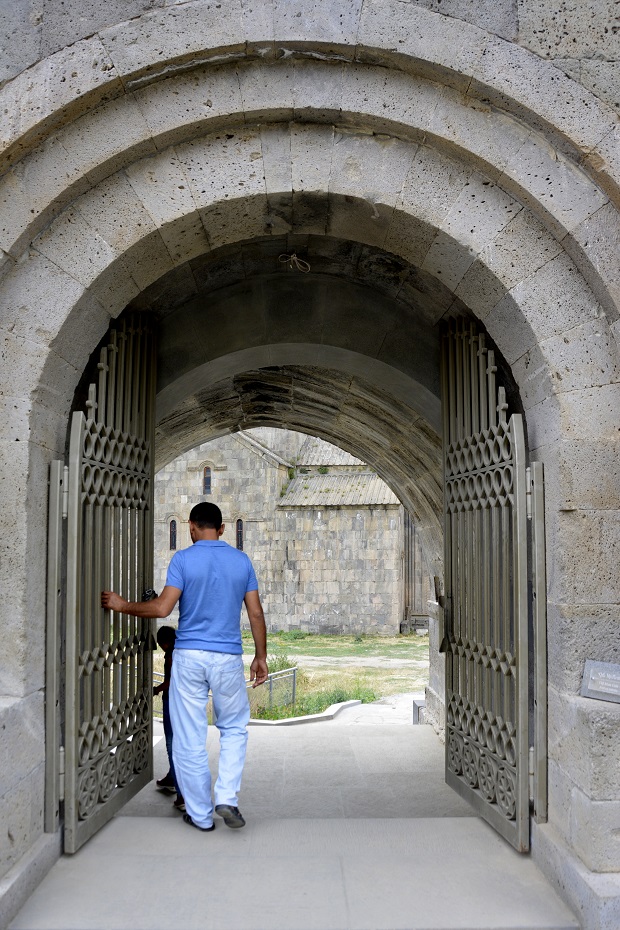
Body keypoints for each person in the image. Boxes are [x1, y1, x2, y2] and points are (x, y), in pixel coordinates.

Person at [101, 502, 268, 833]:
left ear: (191, 526)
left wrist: (122, 605)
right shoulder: (241, 561)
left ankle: (201, 815)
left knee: (190, 737)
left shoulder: (183, 559)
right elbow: (256, 614)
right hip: (227, 658)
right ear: (221, 529)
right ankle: (227, 798)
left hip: (189, 657)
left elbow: (163, 608)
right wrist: (260, 657)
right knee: (234, 728)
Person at [153, 625, 185, 812]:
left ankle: (181, 794)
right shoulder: (182, 650)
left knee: (172, 746)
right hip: (183, 703)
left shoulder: (172, 654)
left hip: (172, 703)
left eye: (160, 644)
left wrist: (156, 689)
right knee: (177, 745)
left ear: (165, 642)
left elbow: (172, 680)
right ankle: (171, 778)